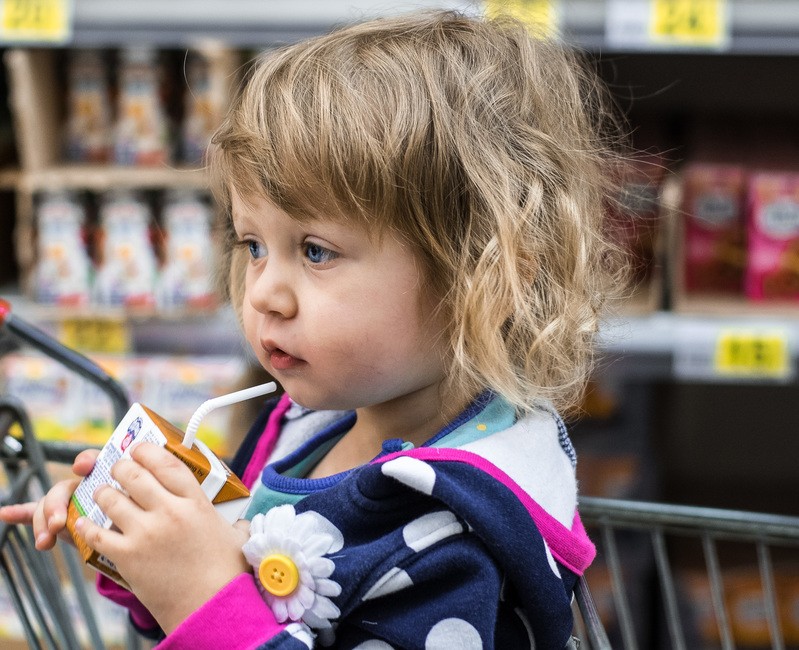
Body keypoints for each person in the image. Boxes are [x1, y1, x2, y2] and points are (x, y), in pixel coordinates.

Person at [0, 10, 630, 649]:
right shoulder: (313, 422)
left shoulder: (456, 531)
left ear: (484, 276)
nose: (264, 292)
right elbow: (240, 588)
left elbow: (231, 612)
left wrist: (203, 596)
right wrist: (144, 544)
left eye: (316, 251)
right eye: (252, 245)